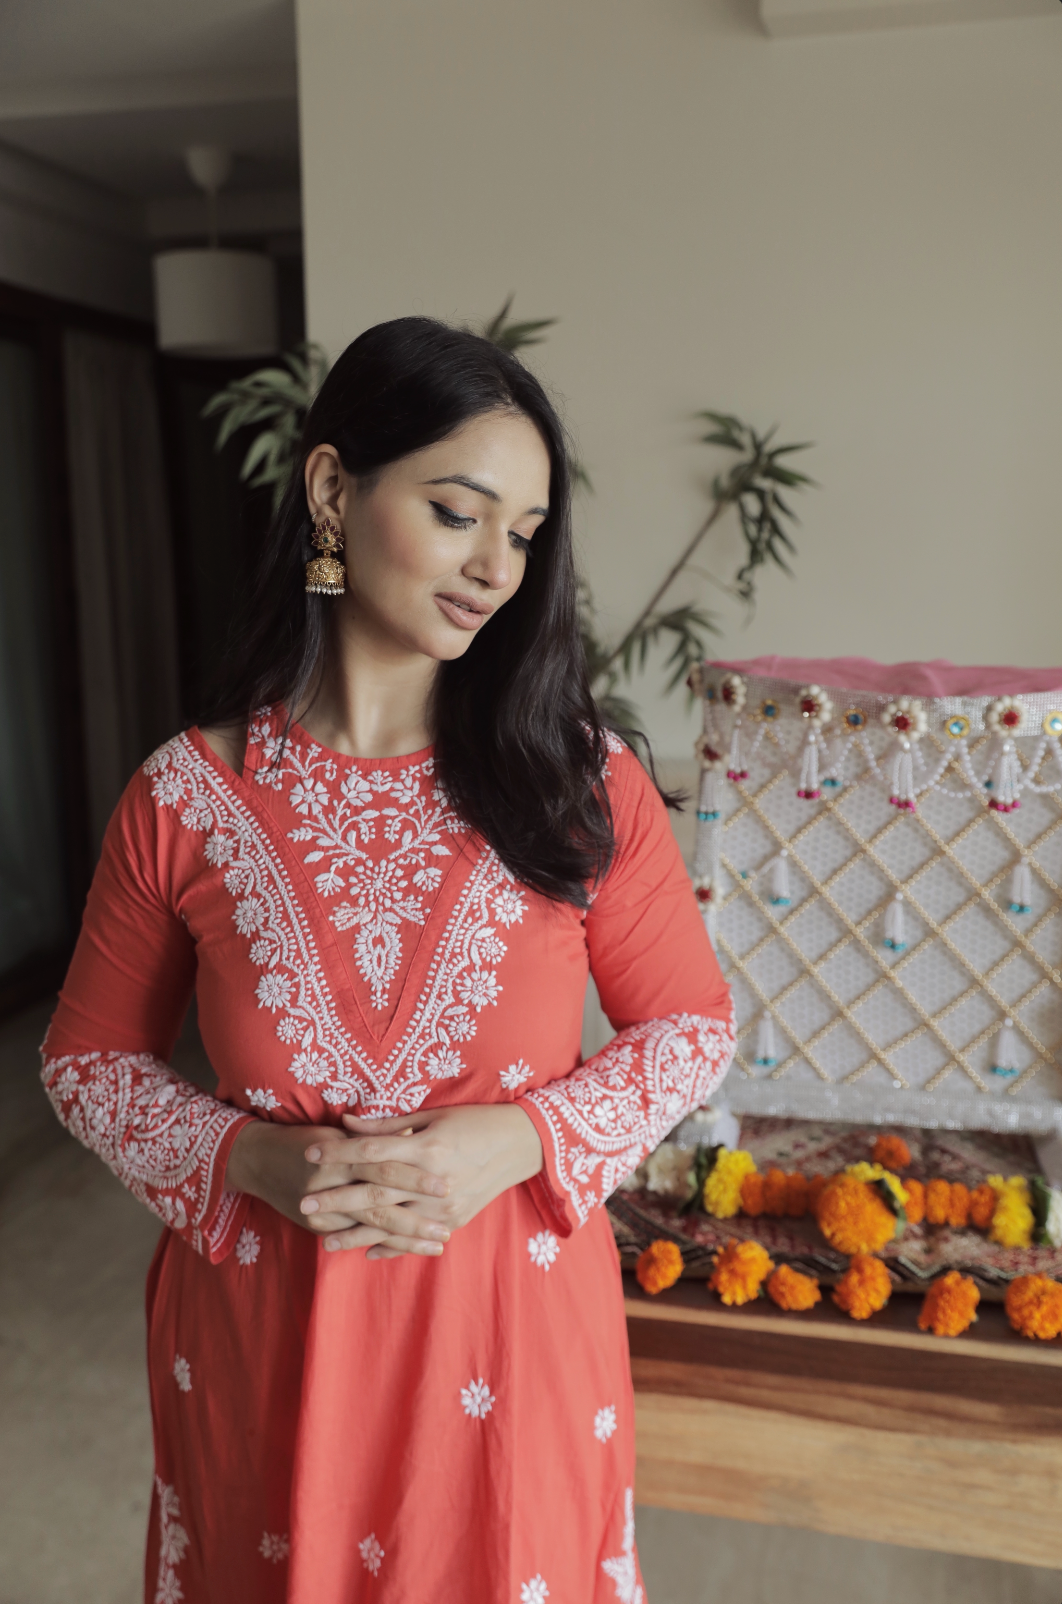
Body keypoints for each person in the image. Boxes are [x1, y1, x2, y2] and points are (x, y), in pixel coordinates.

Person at [42, 317, 734, 1604]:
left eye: (525, 535)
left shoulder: (581, 782)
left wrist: (515, 1140)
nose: (496, 567)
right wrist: (246, 1156)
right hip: (262, 1340)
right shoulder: (186, 797)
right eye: (460, 511)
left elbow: (690, 1025)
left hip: (512, 1335)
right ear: (328, 489)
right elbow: (84, 1061)